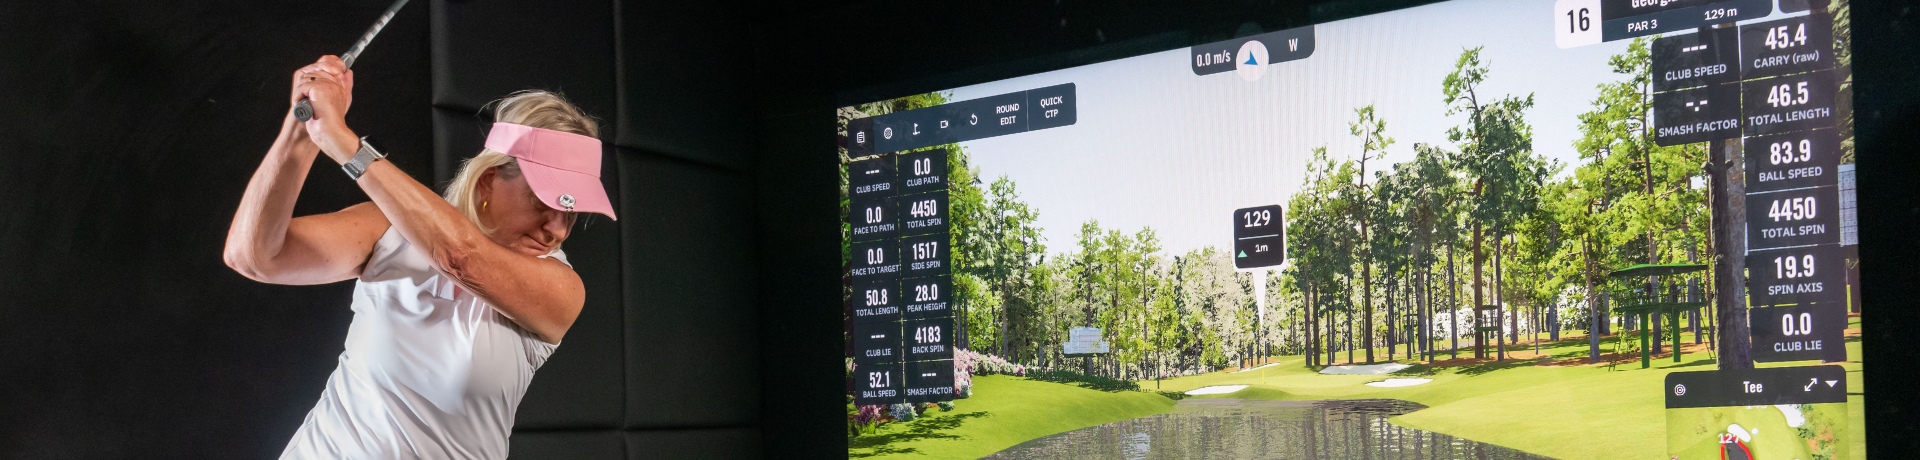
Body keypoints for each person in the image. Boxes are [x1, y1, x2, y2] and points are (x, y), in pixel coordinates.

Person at [223, 55, 615, 459]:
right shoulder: (387, 230)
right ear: (489, 180)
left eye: (571, 211)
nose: (557, 228)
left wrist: (342, 143)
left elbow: (460, 257)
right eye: (542, 201)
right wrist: (303, 129)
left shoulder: (562, 288)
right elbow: (252, 257)